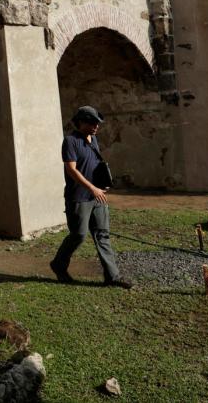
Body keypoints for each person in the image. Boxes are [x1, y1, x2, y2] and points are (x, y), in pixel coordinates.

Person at [49, 105, 133, 289]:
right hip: (78, 197)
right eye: (92, 122)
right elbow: (71, 170)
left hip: (97, 195)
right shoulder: (70, 141)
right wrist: (91, 188)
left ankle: (113, 276)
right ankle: (58, 264)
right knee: (78, 235)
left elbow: (94, 164)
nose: (96, 126)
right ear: (80, 122)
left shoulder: (93, 139)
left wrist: (101, 185)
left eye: (97, 123)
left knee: (103, 235)